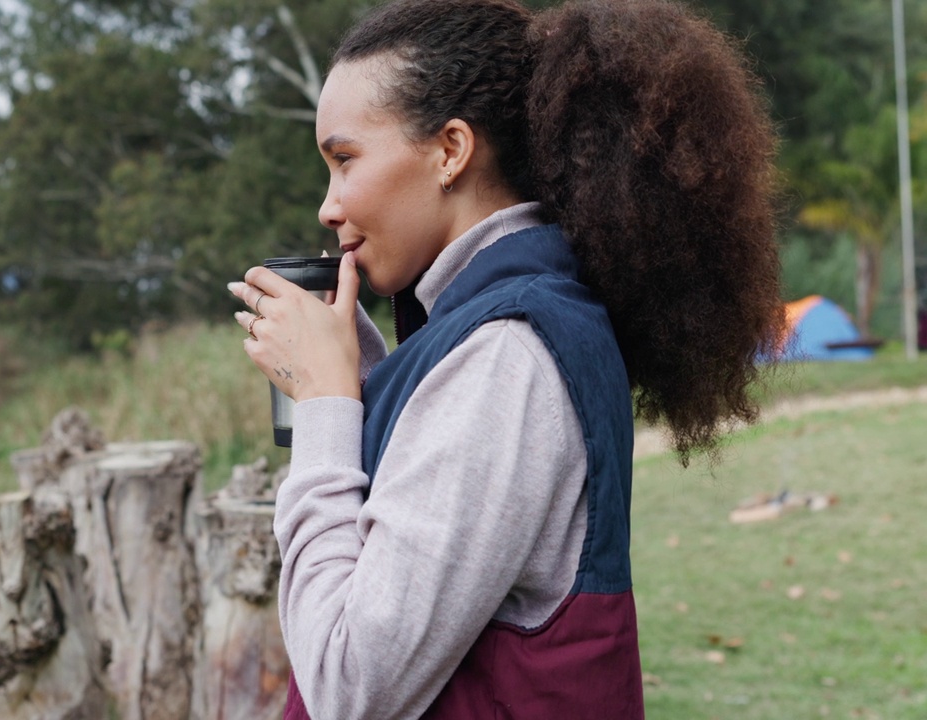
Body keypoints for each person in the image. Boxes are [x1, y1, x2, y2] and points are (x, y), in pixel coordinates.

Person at [226, 0, 783, 717]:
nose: (328, 208)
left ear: (451, 150)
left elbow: (349, 683)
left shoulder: (504, 356)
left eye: (344, 160)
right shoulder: (501, 326)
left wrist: (328, 411)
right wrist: (361, 385)